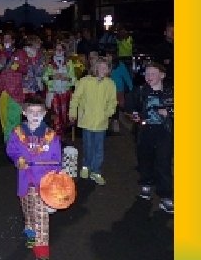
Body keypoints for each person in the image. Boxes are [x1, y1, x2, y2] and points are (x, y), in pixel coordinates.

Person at [5, 97, 63, 260]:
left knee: (41, 218)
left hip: (43, 183)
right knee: (28, 210)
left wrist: (55, 175)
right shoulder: (18, 133)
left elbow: (57, 159)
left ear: (45, 114)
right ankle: (30, 233)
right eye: (31, 112)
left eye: (39, 112)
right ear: (24, 113)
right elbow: (11, 149)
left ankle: (42, 254)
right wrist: (18, 159)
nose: (35, 115)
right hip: (25, 181)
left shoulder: (50, 136)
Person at [126, 62, 174, 214]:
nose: (149, 76)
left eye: (153, 73)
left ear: (162, 75)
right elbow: (130, 106)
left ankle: (166, 196)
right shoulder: (140, 91)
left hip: (164, 132)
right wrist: (134, 114)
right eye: (147, 74)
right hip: (145, 131)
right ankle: (146, 184)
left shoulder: (171, 92)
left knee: (163, 163)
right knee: (145, 159)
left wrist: (169, 113)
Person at [68, 56, 117, 185]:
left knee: (99, 149)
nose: (103, 69)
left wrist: (108, 113)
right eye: (100, 67)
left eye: (105, 67)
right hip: (87, 121)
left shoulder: (110, 84)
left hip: (101, 122)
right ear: (95, 68)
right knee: (88, 146)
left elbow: (113, 101)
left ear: (108, 69)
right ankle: (86, 166)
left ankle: (96, 171)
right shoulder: (85, 81)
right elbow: (76, 98)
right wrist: (73, 112)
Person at [0, 31, 29, 138]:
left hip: (16, 92)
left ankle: (14, 143)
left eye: (8, 38)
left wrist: (18, 67)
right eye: (4, 39)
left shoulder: (20, 53)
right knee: (4, 121)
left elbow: (25, 69)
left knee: (15, 121)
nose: (6, 41)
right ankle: (8, 143)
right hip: (2, 91)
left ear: (13, 41)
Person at [41, 43, 75, 132]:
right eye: (57, 49)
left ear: (64, 51)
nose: (59, 51)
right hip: (54, 93)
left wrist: (66, 78)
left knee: (64, 115)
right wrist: (53, 77)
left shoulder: (69, 63)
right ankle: (56, 134)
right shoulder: (50, 63)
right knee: (55, 115)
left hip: (65, 93)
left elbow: (74, 79)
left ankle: (62, 134)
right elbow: (44, 77)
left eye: (61, 49)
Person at [108, 51, 134, 134]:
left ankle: (116, 123)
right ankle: (112, 123)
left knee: (118, 106)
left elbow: (126, 76)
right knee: (111, 106)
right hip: (107, 89)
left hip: (118, 90)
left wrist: (131, 87)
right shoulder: (106, 65)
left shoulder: (120, 65)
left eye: (109, 55)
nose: (108, 57)